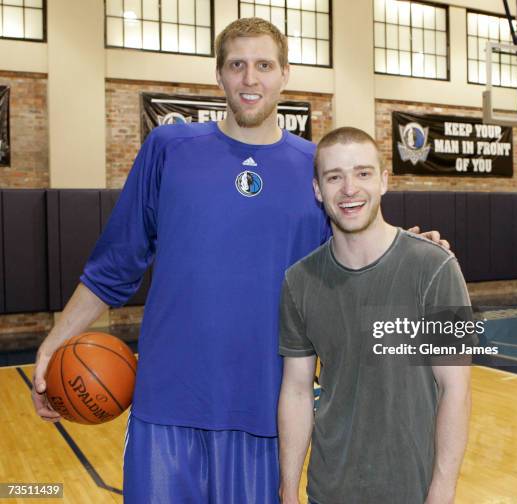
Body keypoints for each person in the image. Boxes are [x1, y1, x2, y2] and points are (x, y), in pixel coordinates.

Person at [31, 18, 448, 504]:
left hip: (266, 412)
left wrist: (416, 251)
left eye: (264, 65)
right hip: (167, 404)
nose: (251, 79)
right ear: (219, 76)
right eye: (238, 65)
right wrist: (53, 344)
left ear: (285, 74)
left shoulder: (316, 170)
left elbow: (361, 253)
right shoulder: (169, 149)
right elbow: (113, 267)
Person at [278, 127, 472, 504]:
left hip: (412, 492)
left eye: (363, 173)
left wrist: (442, 490)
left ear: (383, 180)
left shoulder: (437, 267)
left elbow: (457, 390)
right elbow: (297, 390)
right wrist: (288, 489)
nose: (349, 188)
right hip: (328, 490)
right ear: (318, 190)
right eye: (334, 177)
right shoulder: (298, 281)